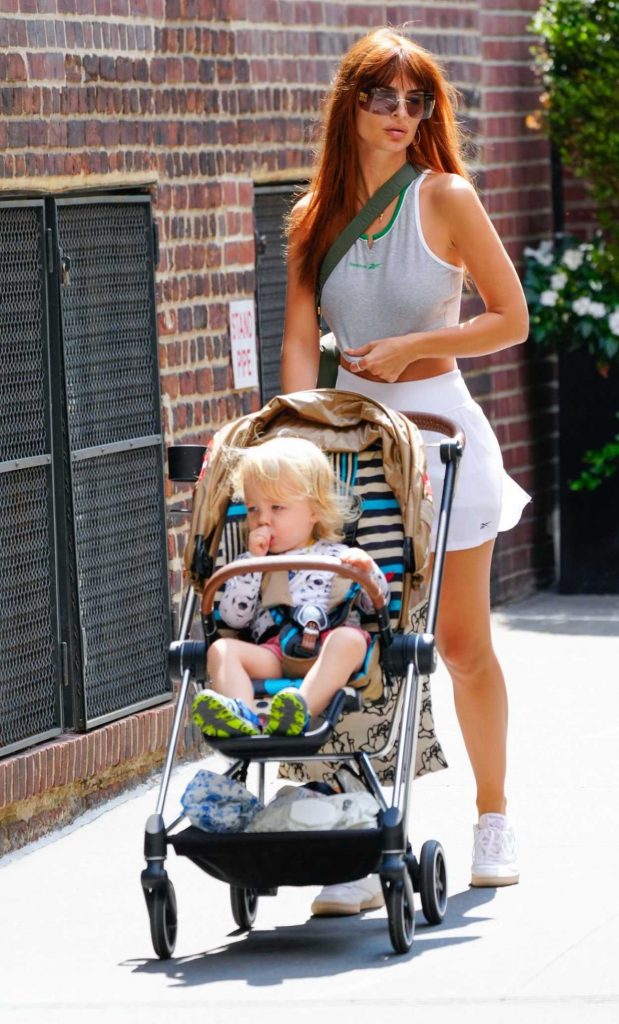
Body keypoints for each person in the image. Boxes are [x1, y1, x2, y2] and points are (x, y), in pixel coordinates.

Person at [281, 27, 530, 909]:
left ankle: (492, 816)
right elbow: (300, 345)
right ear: (348, 104)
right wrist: (295, 438)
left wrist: (411, 347)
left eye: (413, 100)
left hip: (442, 435)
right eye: (380, 97)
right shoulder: (315, 218)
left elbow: (510, 320)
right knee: (353, 641)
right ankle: (355, 831)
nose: (398, 114)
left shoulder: (446, 196)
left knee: (459, 645)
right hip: (349, 444)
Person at [192, 435, 390, 742]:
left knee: (350, 640)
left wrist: (368, 571)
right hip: (274, 652)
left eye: (277, 508)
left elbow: (373, 606)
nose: (263, 519)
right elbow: (233, 620)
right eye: (254, 509)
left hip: (329, 650)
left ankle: (299, 712)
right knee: (221, 649)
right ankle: (240, 716)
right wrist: (251, 566)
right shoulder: (252, 564)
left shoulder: (339, 556)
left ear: (314, 510)